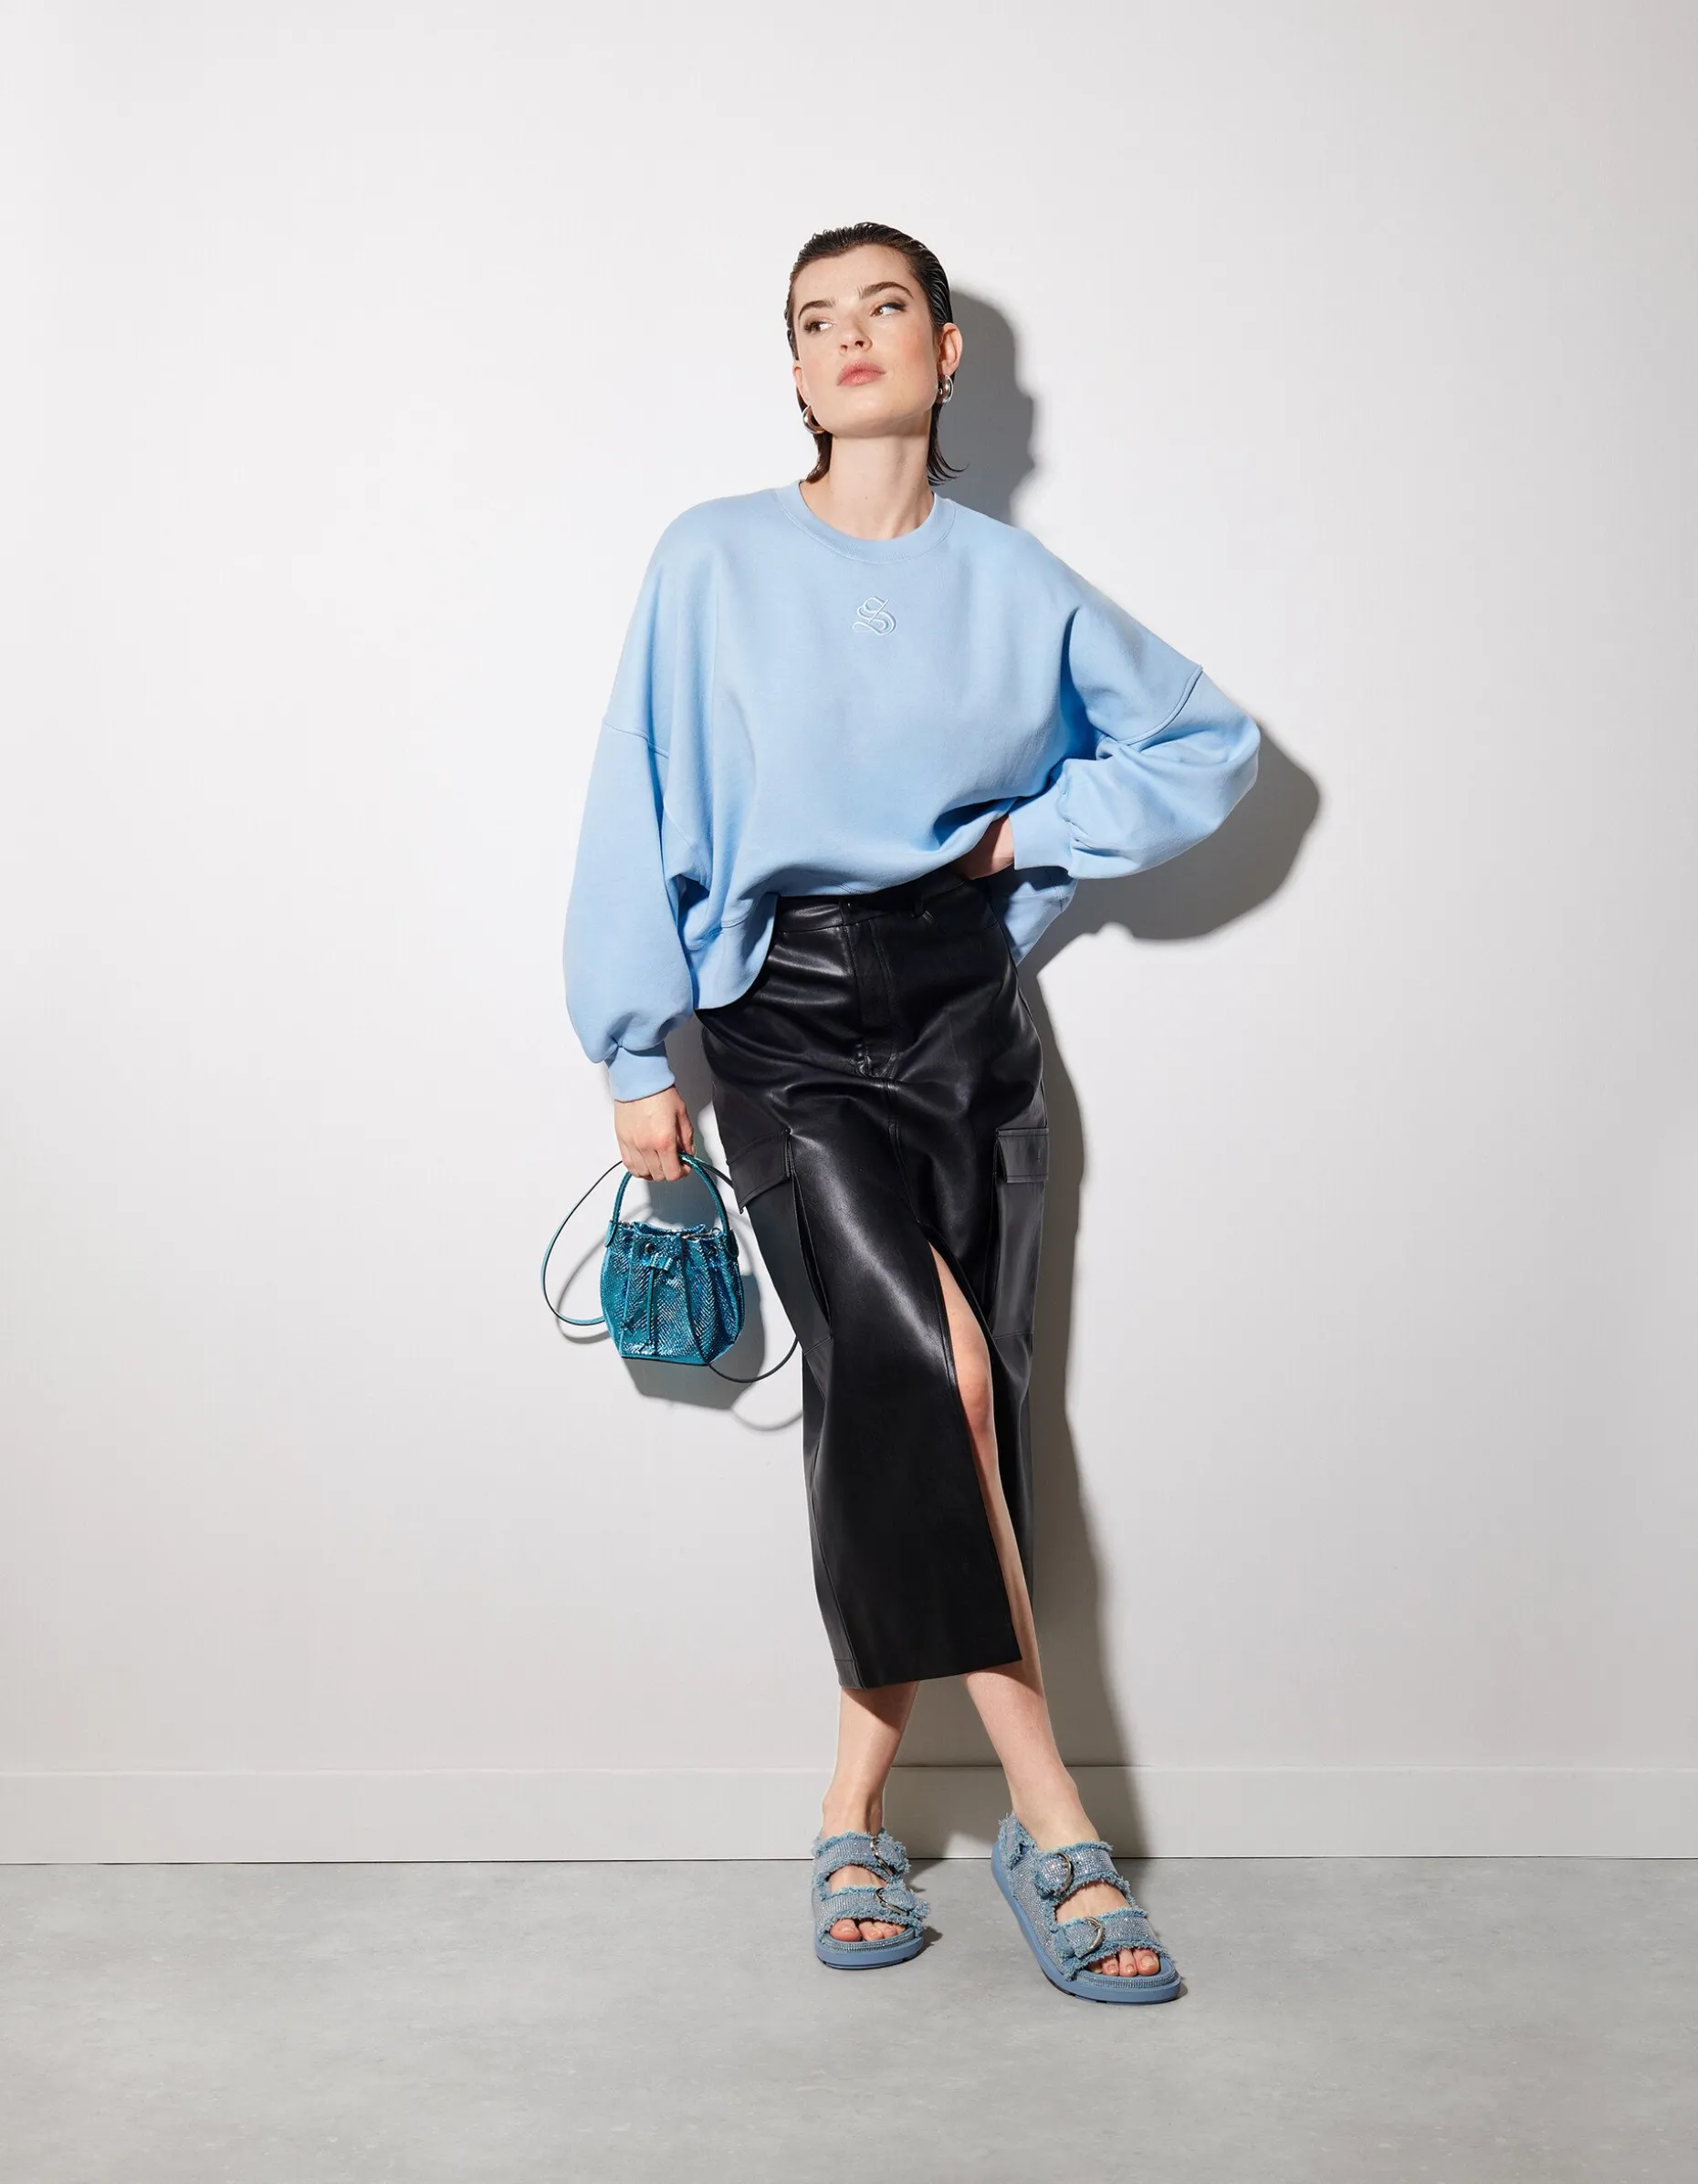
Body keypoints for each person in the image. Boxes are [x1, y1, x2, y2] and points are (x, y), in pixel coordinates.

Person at [562, 222, 1259, 2001]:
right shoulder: (712, 556)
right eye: (816, 319)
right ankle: (1051, 1812)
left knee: (952, 1403)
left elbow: (1210, 748)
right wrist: (635, 1050)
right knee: (922, 1370)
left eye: (884, 307)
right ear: (795, 371)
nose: (849, 337)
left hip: (968, 1018)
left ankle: (853, 1804)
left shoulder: (1014, 581)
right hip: (781, 1015)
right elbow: (633, 790)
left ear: (947, 352)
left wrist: (1033, 837)